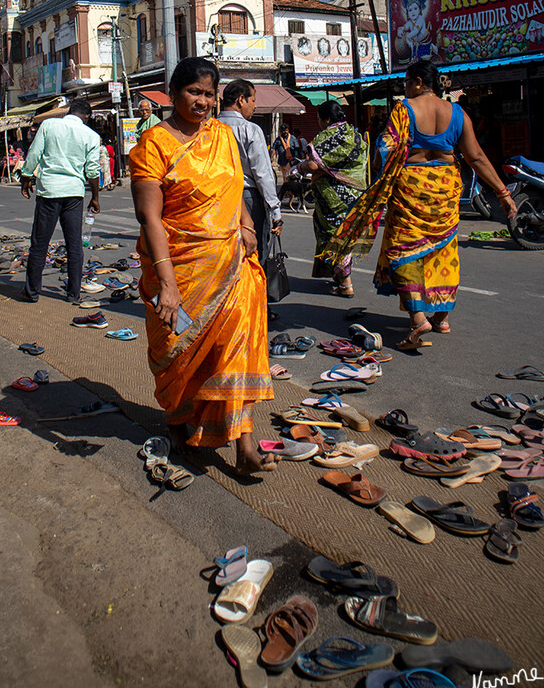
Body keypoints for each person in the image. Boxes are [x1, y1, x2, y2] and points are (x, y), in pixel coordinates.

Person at [129, 57, 277, 476]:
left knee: (235, 351)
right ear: (173, 93)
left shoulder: (223, 136)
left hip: (231, 265)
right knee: (179, 355)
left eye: (210, 94)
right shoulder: (153, 144)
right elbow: (150, 218)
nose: (203, 101)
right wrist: (168, 285)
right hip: (179, 267)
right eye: (194, 92)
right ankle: (177, 418)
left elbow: (236, 187)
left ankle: (244, 443)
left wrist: (247, 224)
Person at [320, 60, 517, 350]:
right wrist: (503, 194)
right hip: (446, 189)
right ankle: (441, 318)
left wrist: (378, 179)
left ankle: (418, 318)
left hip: (411, 187)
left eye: (407, 82)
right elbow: (476, 157)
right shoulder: (458, 113)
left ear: (418, 82)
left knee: (403, 250)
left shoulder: (405, 109)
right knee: (443, 250)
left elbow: (385, 146)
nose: (405, 87)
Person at [20, 100, 101, 303]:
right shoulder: (91, 135)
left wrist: (26, 176)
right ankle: (73, 294)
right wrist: (95, 197)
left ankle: (32, 293)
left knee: (39, 244)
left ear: (69, 112)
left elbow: (34, 154)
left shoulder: (49, 125)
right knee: (74, 245)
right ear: (86, 117)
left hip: (49, 191)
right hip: (74, 193)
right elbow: (92, 171)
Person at [294, 100, 368, 297]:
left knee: (333, 236)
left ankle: (346, 283)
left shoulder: (328, 136)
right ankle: (339, 278)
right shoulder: (356, 135)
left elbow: (313, 165)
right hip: (356, 196)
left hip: (333, 198)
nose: (318, 122)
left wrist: (299, 167)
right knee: (346, 235)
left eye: (319, 118)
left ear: (327, 120)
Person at [218, 79, 283, 264]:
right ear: (241, 100)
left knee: (227, 255)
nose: (255, 106)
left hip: (218, 198)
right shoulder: (250, 130)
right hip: (248, 197)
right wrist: (275, 211)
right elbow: (262, 174)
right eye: (253, 100)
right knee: (253, 254)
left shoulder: (210, 129)